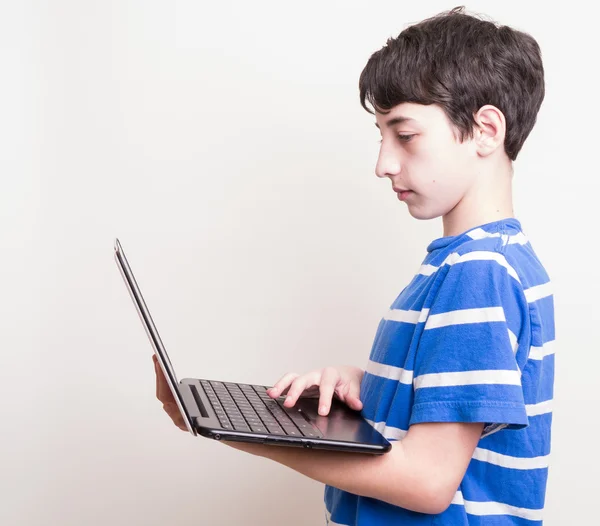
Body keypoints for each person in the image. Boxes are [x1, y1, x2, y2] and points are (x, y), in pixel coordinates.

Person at [154, 6, 554, 524]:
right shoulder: (489, 263)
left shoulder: (478, 273)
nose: (384, 163)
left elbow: (428, 481)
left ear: (485, 130)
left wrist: (250, 434)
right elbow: (457, 407)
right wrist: (369, 386)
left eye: (404, 135)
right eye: (380, 137)